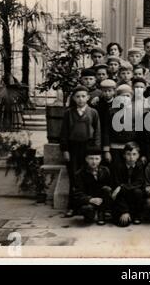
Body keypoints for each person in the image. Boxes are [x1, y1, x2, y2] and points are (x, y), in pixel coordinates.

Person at [60, 85, 101, 217]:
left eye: (83, 96)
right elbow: (64, 133)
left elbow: (97, 132)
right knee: (74, 176)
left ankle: (91, 205)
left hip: (88, 148)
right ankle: (72, 206)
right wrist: (65, 150)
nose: (80, 99)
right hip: (73, 148)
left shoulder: (93, 112)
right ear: (73, 98)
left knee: (88, 175)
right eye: (78, 96)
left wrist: (96, 150)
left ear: (88, 97)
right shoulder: (68, 113)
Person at [74, 148, 112, 225]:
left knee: (107, 189)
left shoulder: (105, 170)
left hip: (101, 199)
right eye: (91, 158)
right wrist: (90, 199)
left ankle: (101, 213)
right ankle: (91, 214)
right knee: (88, 214)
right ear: (86, 159)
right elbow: (77, 193)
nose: (94, 162)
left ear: (101, 159)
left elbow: (110, 185)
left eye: (97, 158)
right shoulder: (80, 173)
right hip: (89, 200)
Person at [111, 142, 145, 227]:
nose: (131, 157)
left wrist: (122, 187)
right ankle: (125, 212)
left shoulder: (140, 166)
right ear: (124, 155)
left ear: (138, 155)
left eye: (134, 154)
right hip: (122, 199)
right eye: (128, 154)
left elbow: (139, 183)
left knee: (138, 192)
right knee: (123, 223)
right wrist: (124, 211)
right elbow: (116, 185)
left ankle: (136, 215)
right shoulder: (118, 167)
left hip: (134, 196)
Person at [104, 84, 137, 168]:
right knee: (116, 169)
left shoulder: (136, 111)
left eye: (127, 96)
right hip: (115, 147)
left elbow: (140, 132)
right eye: (122, 96)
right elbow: (106, 131)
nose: (125, 98)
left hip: (131, 147)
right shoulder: (111, 111)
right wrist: (106, 150)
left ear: (131, 97)